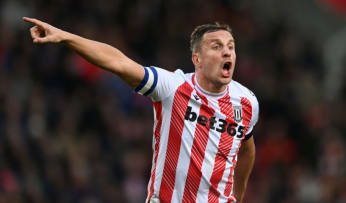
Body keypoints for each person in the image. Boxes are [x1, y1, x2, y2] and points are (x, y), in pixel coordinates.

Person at [23, 17, 259, 203]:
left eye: (230, 47)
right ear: (196, 59)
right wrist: (65, 37)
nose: (227, 52)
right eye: (216, 46)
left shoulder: (247, 103)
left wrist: (238, 195)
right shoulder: (174, 87)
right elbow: (119, 62)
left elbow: (247, 148)